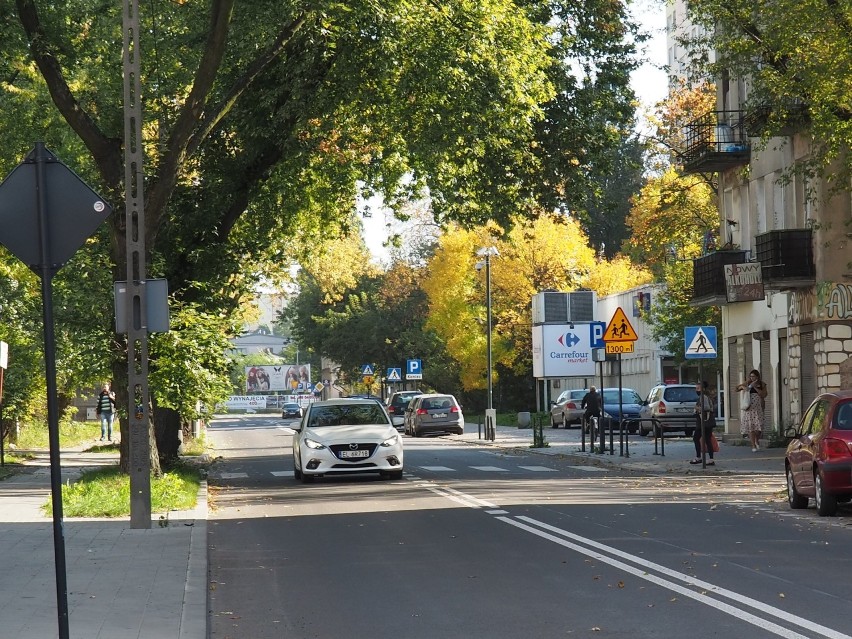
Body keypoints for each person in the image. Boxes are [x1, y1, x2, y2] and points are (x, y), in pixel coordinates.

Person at [737, 369, 767, 452]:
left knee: (759, 427)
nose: (752, 378)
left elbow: (764, 394)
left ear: (757, 376)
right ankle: (753, 445)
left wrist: (755, 387)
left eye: (753, 376)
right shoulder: (748, 382)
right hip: (749, 407)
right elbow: (737, 388)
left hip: (759, 407)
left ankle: (757, 440)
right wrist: (743, 387)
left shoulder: (762, 384)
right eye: (750, 376)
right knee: (751, 427)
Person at [690, 381, 716, 465]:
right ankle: (711, 459)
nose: (696, 390)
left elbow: (706, 407)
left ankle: (699, 457)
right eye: (696, 388)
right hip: (706, 422)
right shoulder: (706, 396)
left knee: (696, 438)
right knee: (707, 439)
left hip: (703, 422)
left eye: (698, 388)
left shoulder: (703, 397)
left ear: (703, 389)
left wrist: (697, 408)